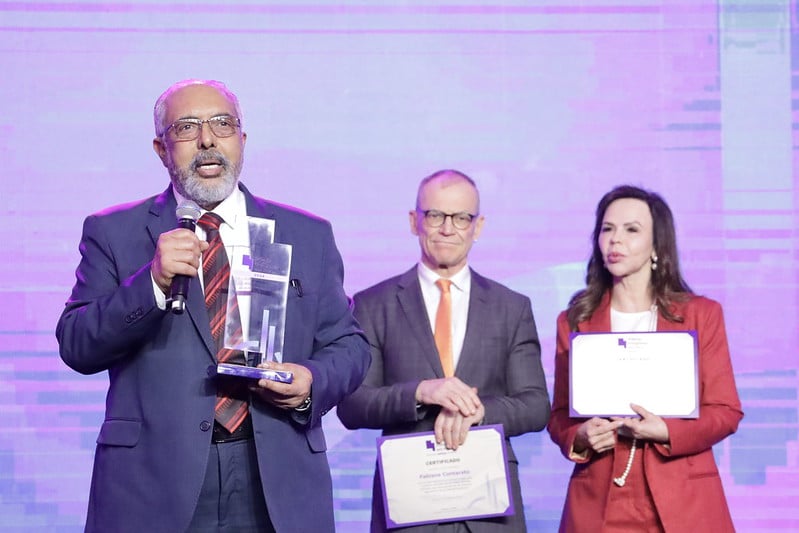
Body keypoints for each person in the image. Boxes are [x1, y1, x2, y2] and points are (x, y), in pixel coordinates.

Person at [55, 79, 370, 533]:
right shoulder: (114, 232)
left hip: (275, 475)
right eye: (186, 128)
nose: (207, 140)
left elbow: (349, 346)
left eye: (222, 124)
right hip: (154, 483)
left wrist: (311, 383)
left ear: (242, 140)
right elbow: (76, 343)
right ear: (161, 149)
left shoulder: (305, 234)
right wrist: (153, 283)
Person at [337, 169, 551, 532]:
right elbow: (352, 405)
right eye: (435, 215)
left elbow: (535, 406)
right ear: (414, 221)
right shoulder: (374, 304)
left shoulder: (511, 307)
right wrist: (421, 392)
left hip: (490, 509)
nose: (447, 229)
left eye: (461, 218)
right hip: (409, 504)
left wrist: (478, 410)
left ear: (477, 226)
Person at [547, 184, 743, 532]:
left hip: (684, 500)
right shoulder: (576, 320)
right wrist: (579, 437)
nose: (615, 240)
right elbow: (560, 416)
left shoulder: (701, 314)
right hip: (599, 502)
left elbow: (725, 412)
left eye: (631, 230)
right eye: (607, 229)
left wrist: (667, 430)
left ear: (656, 246)